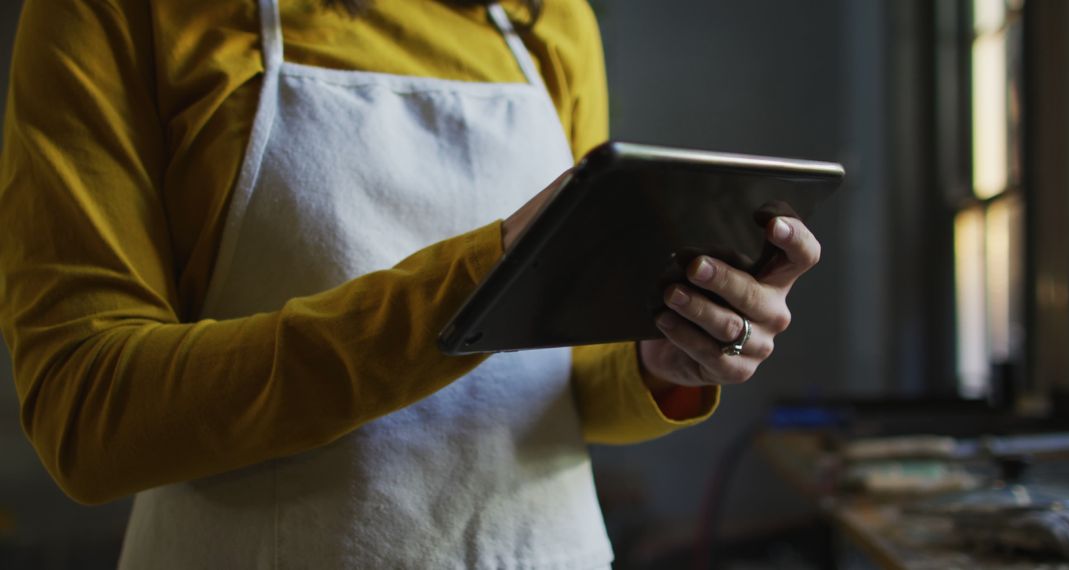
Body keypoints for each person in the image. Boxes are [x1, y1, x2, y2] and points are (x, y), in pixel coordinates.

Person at [0, 0, 821, 567]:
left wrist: (662, 358)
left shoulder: (546, 21)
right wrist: (471, 287)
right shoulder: (114, 14)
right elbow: (87, 414)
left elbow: (558, 390)